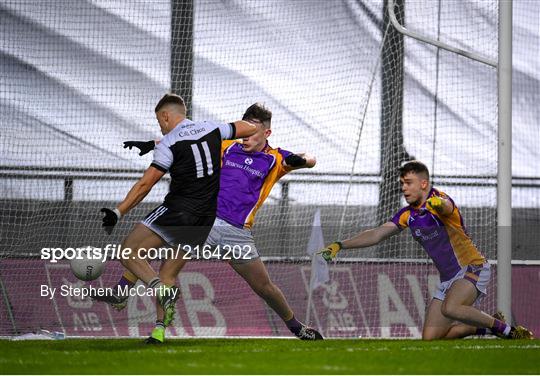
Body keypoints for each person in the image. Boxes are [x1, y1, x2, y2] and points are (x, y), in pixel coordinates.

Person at [98, 103, 323, 342]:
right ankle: (158, 329)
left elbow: (311, 159)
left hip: (238, 233)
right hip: (203, 221)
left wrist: (303, 160)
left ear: (266, 133)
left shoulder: (275, 158)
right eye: (244, 131)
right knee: (165, 265)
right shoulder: (227, 147)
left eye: (253, 132)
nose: (246, 137)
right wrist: (153, 144)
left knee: (264, 287)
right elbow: (191, 139)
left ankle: (296, 326)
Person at [318, 160, 534, 340]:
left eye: (408, 183)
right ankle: (487, 326)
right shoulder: (407, 214)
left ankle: (511, 331)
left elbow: (446, 206)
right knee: (430, 338)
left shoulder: (440, 201)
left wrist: (437, 204)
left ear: (423, 184)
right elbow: (377, 234)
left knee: (451, 308)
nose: (404, 188)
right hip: (449, 278)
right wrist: (340, 245)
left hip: (473, 267)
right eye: (402, 183)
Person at [97, 93, 257, 326]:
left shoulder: (170, 143)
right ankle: (159, 330)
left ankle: (159, 290)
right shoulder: (212, 128)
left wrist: (118, 211)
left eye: (159, 122)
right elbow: (248, 128)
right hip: (204, 219)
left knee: (128, 252)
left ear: (165, 115)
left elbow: (145, 185)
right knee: (168, 273)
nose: (160, 127)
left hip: (178, 211)